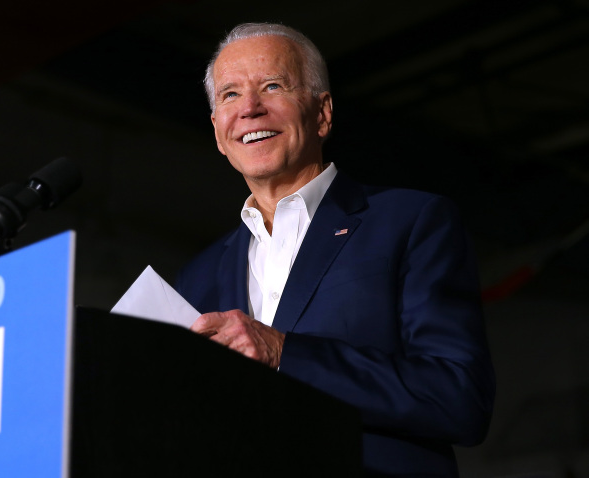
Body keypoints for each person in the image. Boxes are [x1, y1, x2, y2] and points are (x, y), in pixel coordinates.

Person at [175, 22, 495, 476]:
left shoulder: (411, 222)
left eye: (272, 85)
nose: (249, 108)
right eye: (229, 95)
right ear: (217, 131)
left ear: (322, 113)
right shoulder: (198, 276)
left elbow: (458, 398)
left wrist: (285, 353)